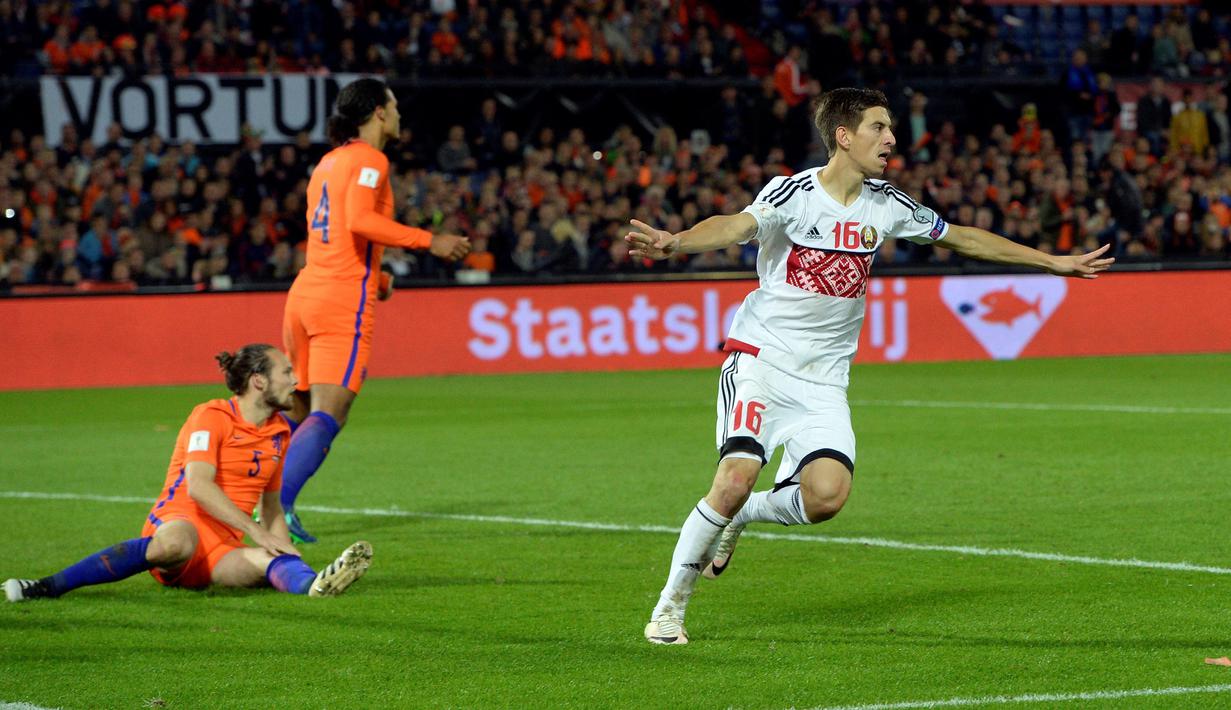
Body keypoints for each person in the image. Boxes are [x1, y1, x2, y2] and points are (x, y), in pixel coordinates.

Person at [626, 88, 1114, 645]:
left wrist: (1049, 262)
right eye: (879, 128)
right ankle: (669, 609)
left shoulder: (888, 205)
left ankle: (743, 515)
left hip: (825, 379)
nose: (891, 139)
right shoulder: (792, 194)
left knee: (827, 496)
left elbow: (960, 237)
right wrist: (677, 243)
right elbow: (735, 226)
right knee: (734, 476)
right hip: (762, 360)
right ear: (843, 136)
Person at [4, 345, 372, 602]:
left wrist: (289, 555)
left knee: (268, 564)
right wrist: (255, 531)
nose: (296, 380)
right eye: (287, 372)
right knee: (176, 544)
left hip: (221, 549)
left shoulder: (279, 432)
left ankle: (316, 586)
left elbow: (273, 508)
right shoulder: (211, 416)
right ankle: (48, 586)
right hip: (180, 521)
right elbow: (197, 487)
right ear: (259, 381)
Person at [280, 78, 471, 542]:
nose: (401, 116)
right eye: (396, 107)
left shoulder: (327, 163)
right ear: (379, 113)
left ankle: (245, 490)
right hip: (339, 301)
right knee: (330, 412)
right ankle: (272, 510)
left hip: (306, 292)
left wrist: (378, 277)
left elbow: (333, 236)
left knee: (297, 411)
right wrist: (433, 241)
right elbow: (360, 221)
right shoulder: (370, 159)